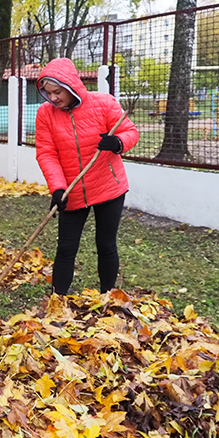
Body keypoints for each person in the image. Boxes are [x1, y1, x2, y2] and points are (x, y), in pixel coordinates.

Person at [34, 57, 140, 295]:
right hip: (72, 191)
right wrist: (58, 188)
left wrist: (118, 143)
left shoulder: (104, 103)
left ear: (71, 86)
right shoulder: (45, 114)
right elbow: (46, 153)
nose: (53, 98)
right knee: (66, 248)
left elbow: (130, 131)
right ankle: (57, 299)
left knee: (106, 244)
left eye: (58, 92)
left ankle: (108, 297)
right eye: (49, 93)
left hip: (109, 186)